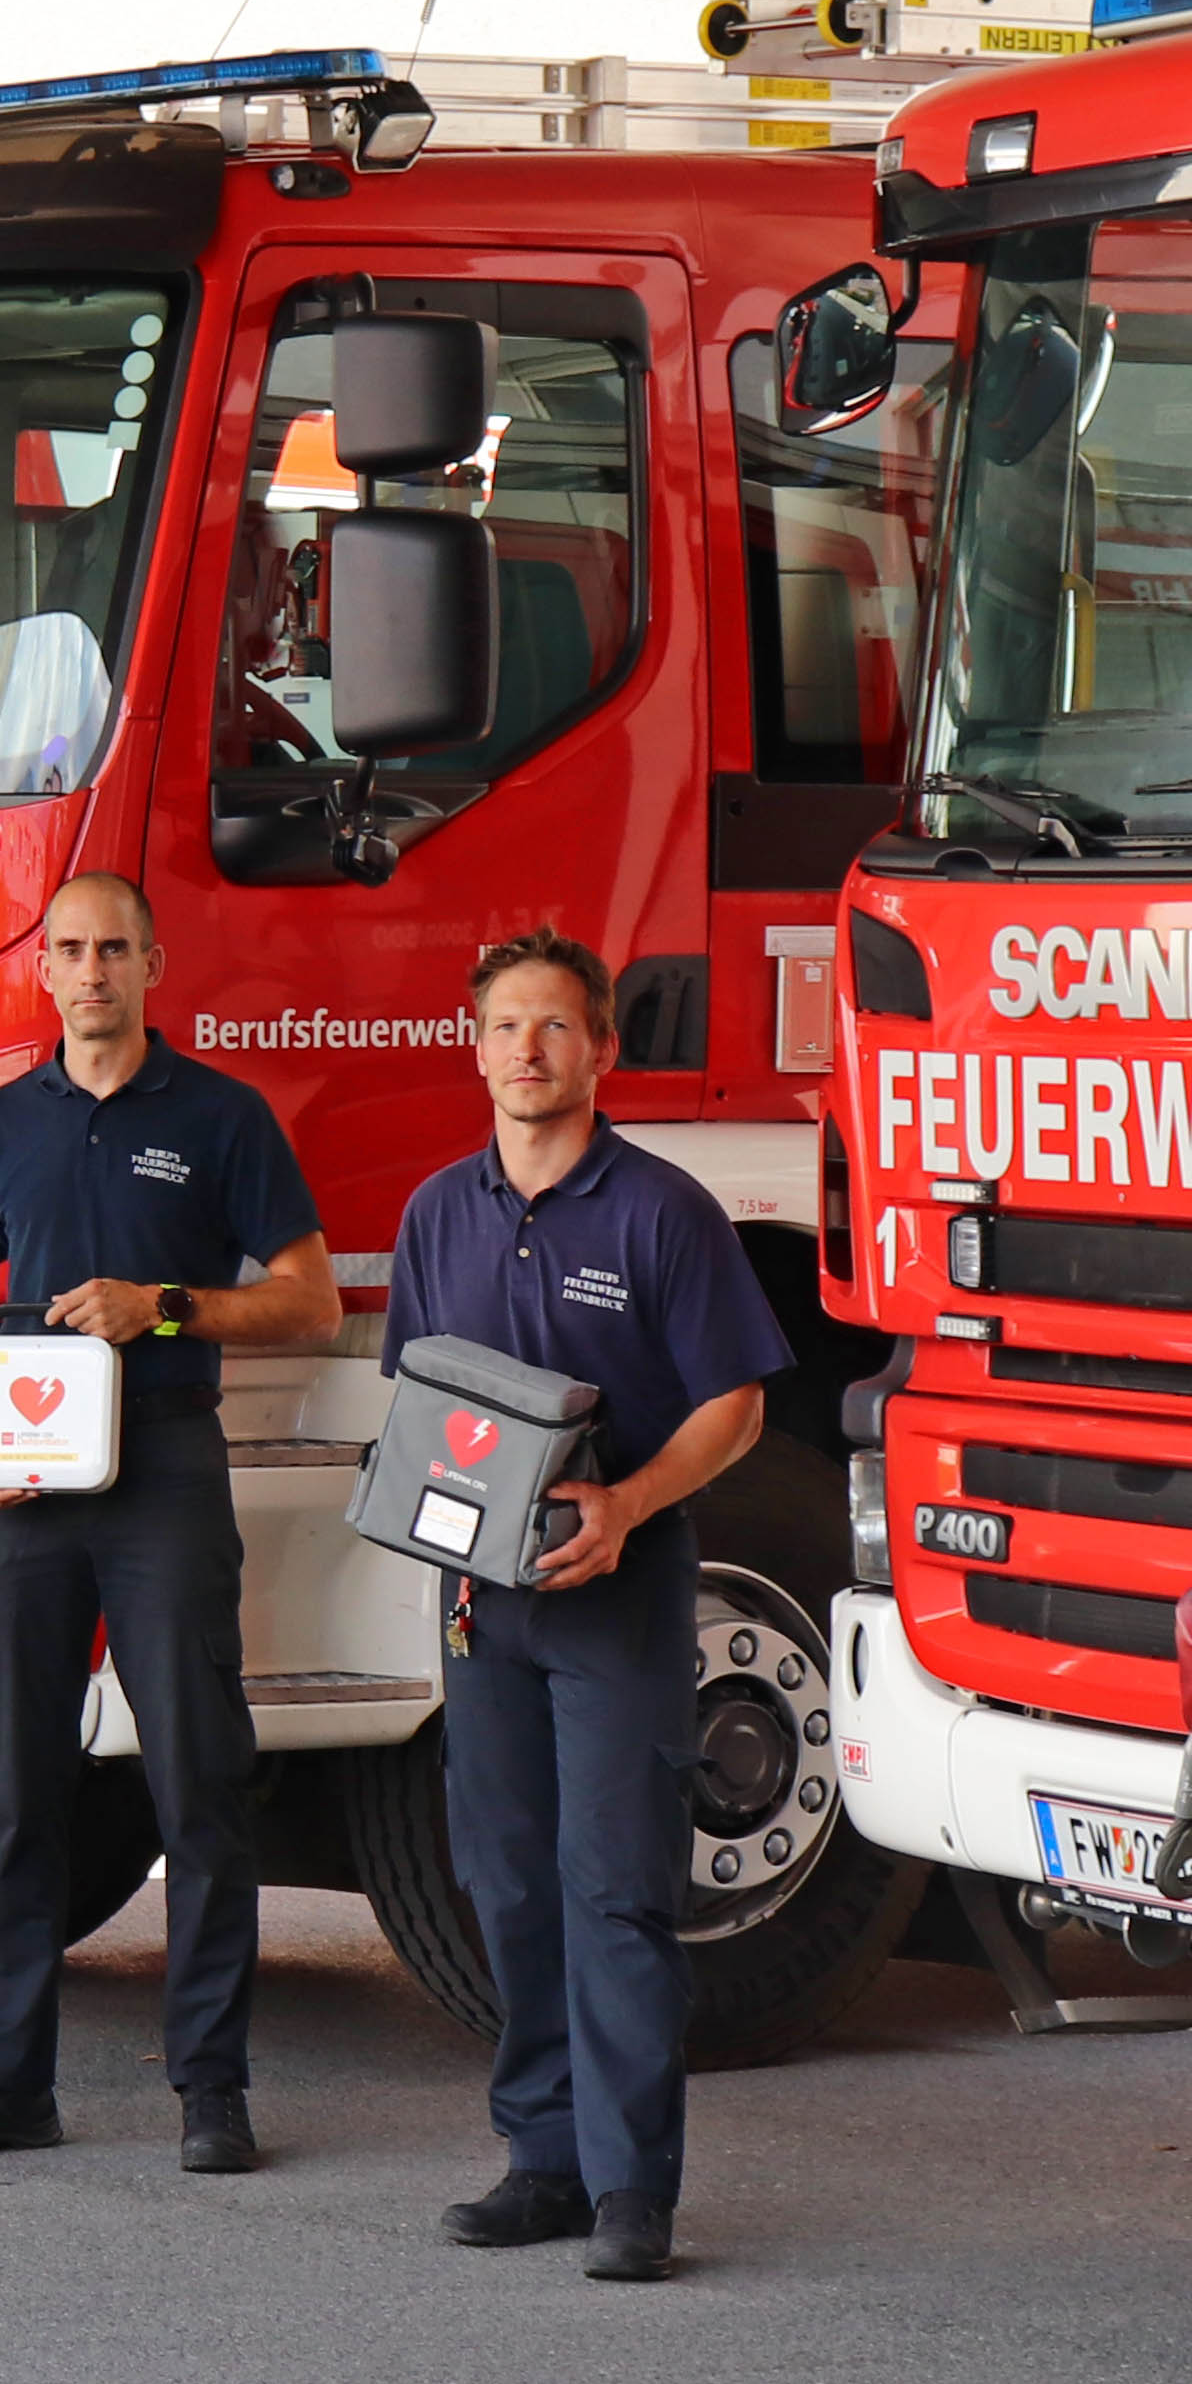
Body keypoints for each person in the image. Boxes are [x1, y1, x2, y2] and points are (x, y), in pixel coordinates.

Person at [0, 873, 336, 2172]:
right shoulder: (1, 1126)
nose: (92, 970)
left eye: (115, 949)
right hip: (25, 1494)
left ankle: (212, 2088)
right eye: (71, 950)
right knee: (16, 1788)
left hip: (159, 1470)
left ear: (154, 963)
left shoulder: (221, 1118)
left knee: (198, 1780)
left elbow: (308, 1300)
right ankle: (4, 2082)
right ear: (44, 969)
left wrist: (166, 1308)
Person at [387, 931, 789, 2283]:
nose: (528, 1052)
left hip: (618, 1596)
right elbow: (424, 1399)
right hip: (482, 1610)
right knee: (504, 1884)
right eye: (505, 1027)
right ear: (475, 1045)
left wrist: (628, 1507)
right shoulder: (438, 1210)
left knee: (613, 1890)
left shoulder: (662, 1211)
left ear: (601, 1050)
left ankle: (633, 2190)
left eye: (556, 1028)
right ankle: (542, 2160)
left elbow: (738, 1406)